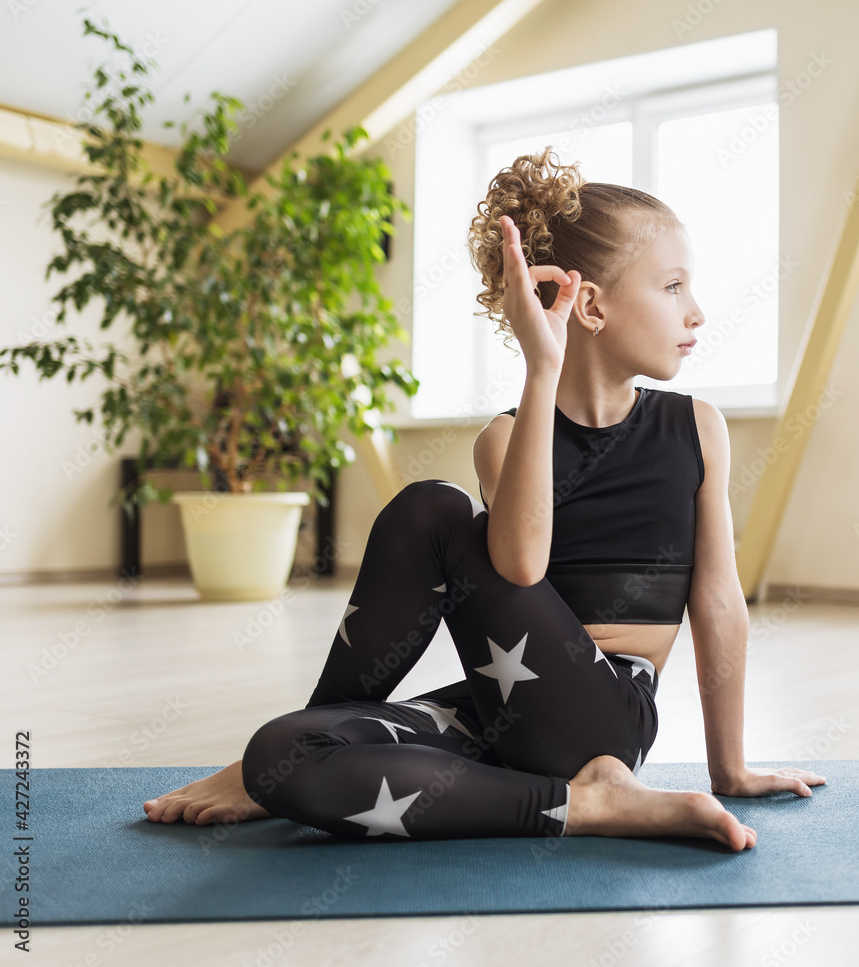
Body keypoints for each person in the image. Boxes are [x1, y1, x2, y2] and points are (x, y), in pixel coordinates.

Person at [143, 146, 824, 846]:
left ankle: (595, 794)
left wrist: (730, 769)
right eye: (674, 287)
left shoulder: (695, 428)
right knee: (280, 754)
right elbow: (524, 562)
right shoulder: (504, 439)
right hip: (503, 706)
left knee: (435, 512)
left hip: (603, 718)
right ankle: (583, 804)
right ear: (591, 305)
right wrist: (541, 370)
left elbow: (718, 602)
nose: (698, 313)